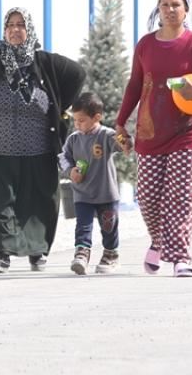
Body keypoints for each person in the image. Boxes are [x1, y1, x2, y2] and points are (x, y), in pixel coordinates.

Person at [0, 7, 85, 273]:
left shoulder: (45, 61)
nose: (15, 30)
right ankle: (1, 253)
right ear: (5, 30)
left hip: (39, 147)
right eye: (10, 25)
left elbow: (78, 74)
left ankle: (37, 251)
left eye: (21, 25)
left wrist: (59, 105)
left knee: (39, 200)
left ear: (30, 29)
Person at [115, 0, 192, 277]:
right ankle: (159, 242)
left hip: (188, 131)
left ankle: (180, 258)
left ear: (186, 10)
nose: (170, 9)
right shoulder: (145, 45)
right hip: (151, 132)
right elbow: (135, 85)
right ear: (158, 9)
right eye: (165, 4)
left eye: (176, 4)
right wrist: (121, 121)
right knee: (148, 197)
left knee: (182, 195)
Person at [58, 92, 122, 275]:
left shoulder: (106, 135)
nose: (77, 124)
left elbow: (122, 143)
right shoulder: (74, 138)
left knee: (109, 227)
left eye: (82, 120)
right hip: (82, 194)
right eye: (75, 120)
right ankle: (82, 253)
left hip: (106, 193)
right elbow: (63, 158)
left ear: (97, 117)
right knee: (83, 225)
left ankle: (111, 254)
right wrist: (70, 171)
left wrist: (126, 140)